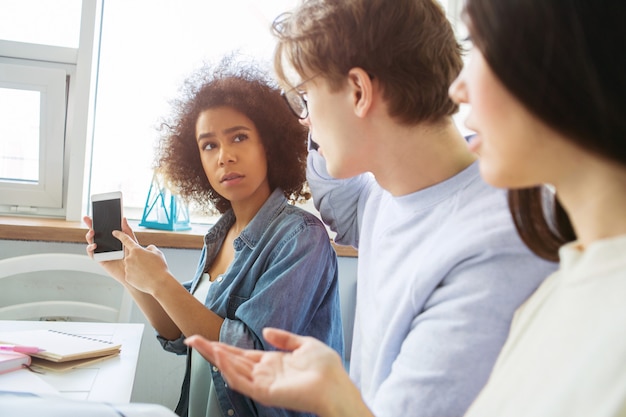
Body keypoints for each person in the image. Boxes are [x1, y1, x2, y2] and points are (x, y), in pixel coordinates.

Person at [187, 0, 626, 416]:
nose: (459, 88)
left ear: (359, 90)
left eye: (306, 98)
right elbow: (334, 191)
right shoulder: (382, 196)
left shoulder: (503, 243)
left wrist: (336, 401)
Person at [84, 58, 344, 417]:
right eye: (209, 145)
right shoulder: (219, 236)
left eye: (239, 137)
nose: (225, 157)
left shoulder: (301, 238)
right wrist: (131, 277)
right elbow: (179, 333)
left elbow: (249, 356)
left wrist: (161, 281)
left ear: (269, 143)